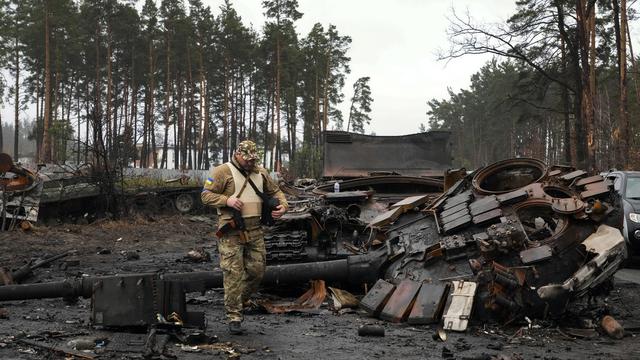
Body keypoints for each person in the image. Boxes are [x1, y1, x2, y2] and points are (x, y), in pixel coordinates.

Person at [201, 140, 288, 335]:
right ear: (237, 154)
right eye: (247, 159)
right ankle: (234, 316)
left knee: (257, 270)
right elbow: (205, 195)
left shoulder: (261, 173)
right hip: (231, 231)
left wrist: (283, 206)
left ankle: (239, 301)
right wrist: (226, 200)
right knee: (233, 274)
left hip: (255, 230)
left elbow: (276, 191)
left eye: (253, 160)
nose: (250, 163)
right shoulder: (222, 171)